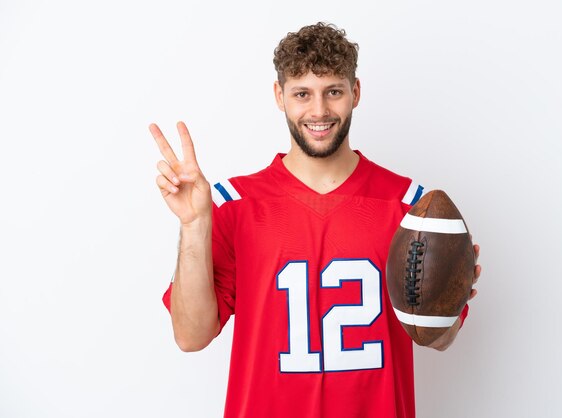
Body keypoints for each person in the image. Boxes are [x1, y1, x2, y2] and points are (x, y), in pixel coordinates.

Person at [150, 22, 480, 418]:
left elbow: (439, 340)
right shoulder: (233, 205)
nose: (319, 111)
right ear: (280, 96)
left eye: (333, 92)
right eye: (302, 94)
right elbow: (190, 336)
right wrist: (193, 225)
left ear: (355, 93)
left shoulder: (410, 208)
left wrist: (444, 298)